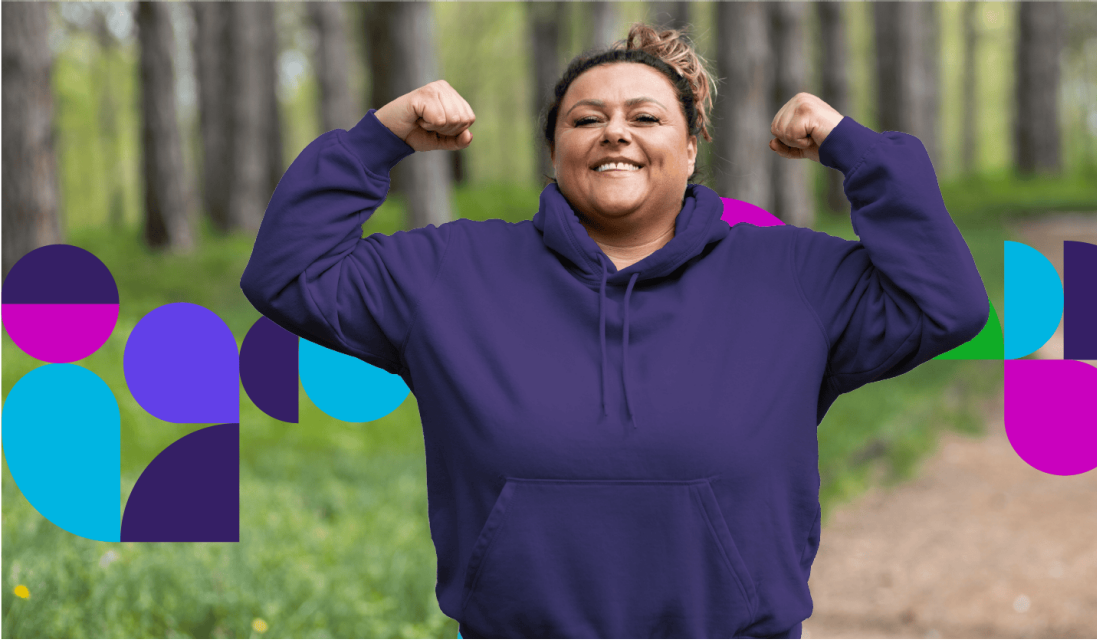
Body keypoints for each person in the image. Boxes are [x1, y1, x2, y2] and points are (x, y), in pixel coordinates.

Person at [241, 23, 989, 640]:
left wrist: (856, 151)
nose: (615, 134)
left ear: (691, 149)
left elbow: (944, 302)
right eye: (586, 119)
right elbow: (288, 273)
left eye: (646, 117)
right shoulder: (451, 270)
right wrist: (380, 138)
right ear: (557, 150)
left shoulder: (792, 274)